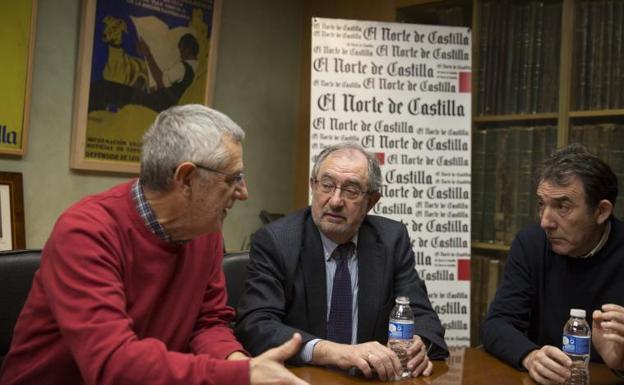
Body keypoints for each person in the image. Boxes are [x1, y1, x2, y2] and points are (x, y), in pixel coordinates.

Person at [0, 105, 308, 385]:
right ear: (186, 178)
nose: (244, 193)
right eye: (233, 178)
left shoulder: (205, 230)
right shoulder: (86, 233)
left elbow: (207, 324)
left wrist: (239, 362)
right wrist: (239, 375)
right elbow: (113, 363)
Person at [235, 142, 448, 381]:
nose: (335, 201)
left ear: (372, 201)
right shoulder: (277, 241)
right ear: (313, 186)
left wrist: (419, 342)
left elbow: (423, 316)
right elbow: (256, 324)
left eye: (351, 190)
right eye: (327, 185)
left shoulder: (391, 239)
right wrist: (332, 352)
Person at [481, 143, 624, 384]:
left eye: (562, 207)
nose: (546, 222)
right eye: (541, 204)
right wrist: (530, 356)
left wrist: (622, 363)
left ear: (601, 211)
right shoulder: (532, 244)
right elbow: (497, 324)